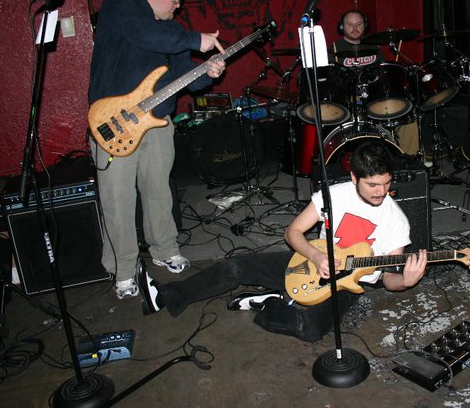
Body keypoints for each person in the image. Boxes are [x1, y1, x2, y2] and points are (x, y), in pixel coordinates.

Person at [136, 140, 429, 342]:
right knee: (236, 266)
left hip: (350, 283)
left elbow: (388, 278)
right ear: (354, 178)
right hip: (311, 262)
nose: (381, 192)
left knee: (309, 328)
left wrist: (406, 281)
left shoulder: (396, 220)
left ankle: (270, 303)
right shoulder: (334, 195)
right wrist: (315, 256)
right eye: (373, 184)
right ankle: (167, 295)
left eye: (386, 183)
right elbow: (292, 233)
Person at [88, 0, 226, 299]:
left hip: (158, 123)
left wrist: (208, 72)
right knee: (118, 200)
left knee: (158, 192)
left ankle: (165, 249)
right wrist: (196, 39)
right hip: (115, 124)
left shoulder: (172, 31)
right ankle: (123, 269)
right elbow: (144, 35)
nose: (178, 6)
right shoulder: (120, 5)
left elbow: (184, 76)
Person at [332, 10, 421, 155]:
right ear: (342, 27)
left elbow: (383, 75)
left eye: (359, 24)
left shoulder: (374, 47)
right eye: (350, 24)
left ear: (365, 26)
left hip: (375, 98)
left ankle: (408, 159)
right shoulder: (334, 49)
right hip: (349, 101)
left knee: (408, 116)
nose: (355, 28)